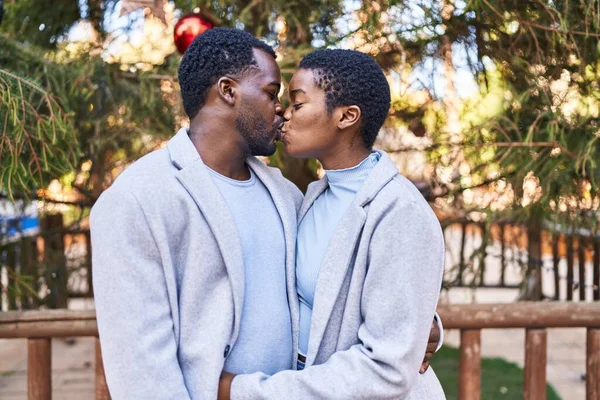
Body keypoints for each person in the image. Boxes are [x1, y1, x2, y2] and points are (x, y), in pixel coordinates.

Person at [91, 28, 440, 399]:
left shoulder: (287, 196)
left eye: (290, 100)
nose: (281, 110)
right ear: (228, 91)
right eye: (272, 94)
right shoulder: (137, 199)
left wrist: (420, 325)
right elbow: (141, 371)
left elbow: (341, 284)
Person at [221, 49, 446, 399]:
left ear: (347, 116)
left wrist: (244, 392)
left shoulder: (399, 211)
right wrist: (421, 326)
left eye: (297, 104)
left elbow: (385, 369)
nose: (283, 114)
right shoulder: (308, 198)